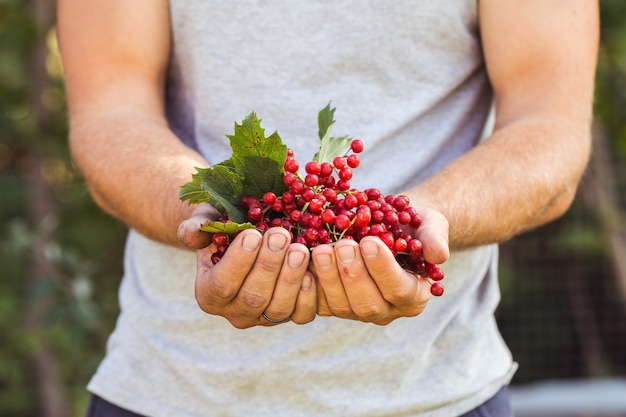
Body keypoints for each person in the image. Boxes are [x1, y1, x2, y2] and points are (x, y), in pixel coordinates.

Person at [56, 1, 599, 416]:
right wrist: (210, 215)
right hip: (164, 392)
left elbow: (547, 126)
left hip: (440, 396)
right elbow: (110, 113)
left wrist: (421, 221)